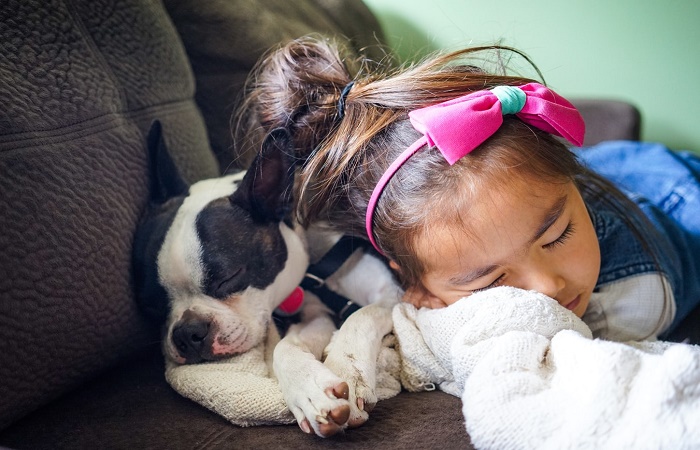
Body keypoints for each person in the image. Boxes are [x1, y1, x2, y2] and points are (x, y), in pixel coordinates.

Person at [236, 35, 700, 342]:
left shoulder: (639, 296)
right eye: (491, 280)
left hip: (673, 190)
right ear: (412, 283)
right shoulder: (409, 241)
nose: (548, 286)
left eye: (557, 235)